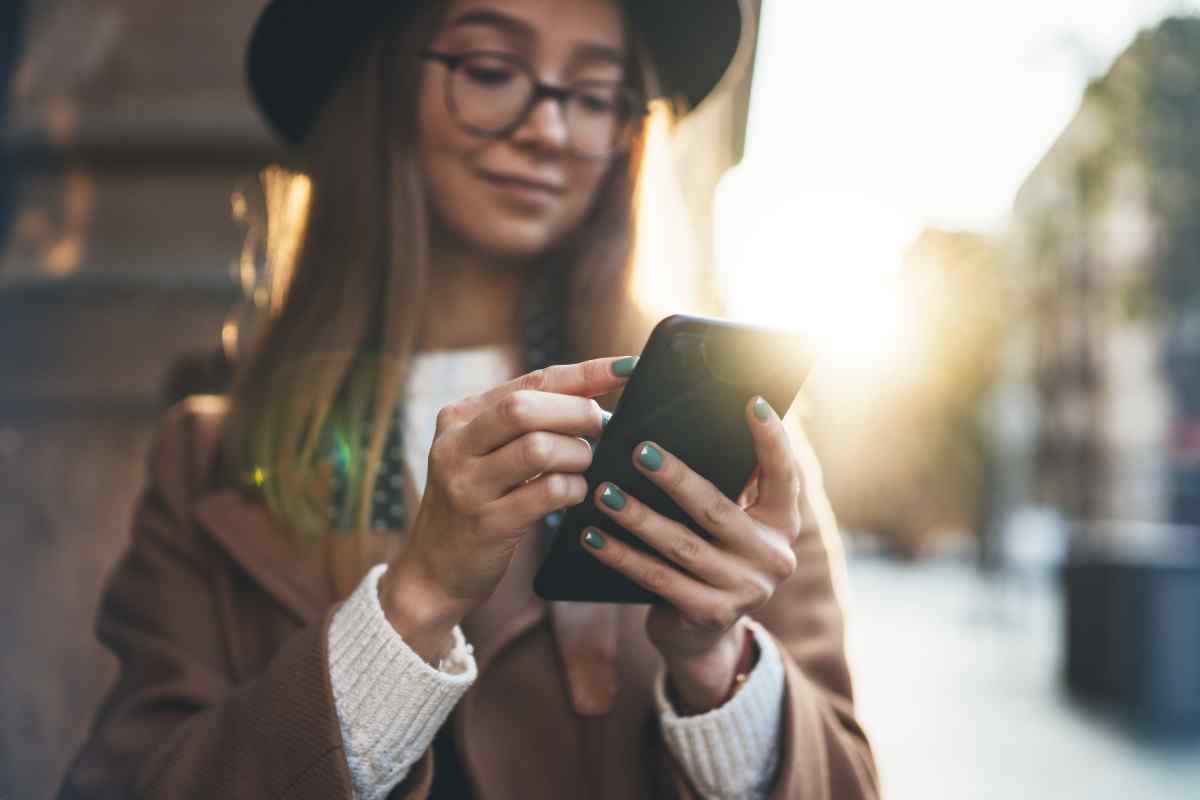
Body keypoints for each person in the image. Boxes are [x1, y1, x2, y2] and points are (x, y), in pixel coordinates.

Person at [57, 0, 879, 797]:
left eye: (593, 96)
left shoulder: (728, 439)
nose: (549, 129)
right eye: (491, 70)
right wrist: (417, 600)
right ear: (381, 93)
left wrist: (715, 663)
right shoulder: (208, 461)